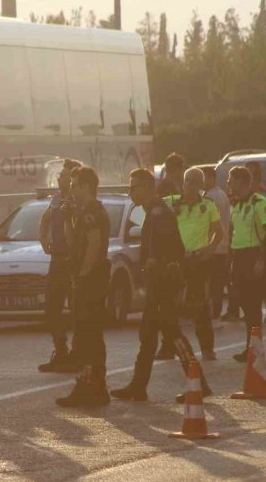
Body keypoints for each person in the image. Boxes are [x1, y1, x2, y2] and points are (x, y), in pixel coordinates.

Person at [111, 168, 212, 403]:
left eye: (134, 187)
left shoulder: (158, 213)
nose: (131, 192)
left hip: (163, 285)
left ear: (147, 187)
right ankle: (138, 386)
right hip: (159, 284)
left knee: (171, 333)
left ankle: (198, 382)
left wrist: (152, 267)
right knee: (148, 335)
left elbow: (165, 252)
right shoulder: (153, 212)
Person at [55, 167, 112, 407]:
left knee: (88, 336)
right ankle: (95, 386)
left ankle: (90, 386)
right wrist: (68, 218)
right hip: (83, 279)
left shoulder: (93, 212)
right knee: (87, 336)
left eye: (76, 184)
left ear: (87, 187)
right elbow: (70, 243)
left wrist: (82, 275)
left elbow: (94, 246)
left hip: (90, 281)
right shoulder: (81, 213)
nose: (71, 189)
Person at [163, 167, 223, 361]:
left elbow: (218, 232)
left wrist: (211, 249)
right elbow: (149, 221)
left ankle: (207, 348)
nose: (188, 185)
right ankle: (168, 346)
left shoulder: (208, 205)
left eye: (194, 182)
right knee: (169, 305)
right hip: (176, 260)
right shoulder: (170, 203)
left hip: (198, 260)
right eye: (186, 180)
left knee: (200, 306)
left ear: (200, 185)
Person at [227, 166, 266, 362]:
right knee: (245, 307)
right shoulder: (237, 205)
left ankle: (255, 349)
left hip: (254, 256)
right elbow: (235, 235)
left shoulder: (259, 202)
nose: (228, 184)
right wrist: (232, 263)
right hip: (239, 257)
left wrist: (261, 261)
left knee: (254, 307)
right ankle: (250, 347)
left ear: (241, 181)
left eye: (231, 180)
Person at [37, 158, 81, 373]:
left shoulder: (78, 201)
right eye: (59, 176)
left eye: (63, 176)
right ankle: (61, 351)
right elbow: (45, 218)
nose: (59, 179)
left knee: (76, 311)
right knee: (51, 309)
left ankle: (77, 355)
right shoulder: (56, 199)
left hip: (72, 261)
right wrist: (43, 237)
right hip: (57, 260)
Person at [248, 161, 266, 323]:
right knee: (249, 282)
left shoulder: (265, 196)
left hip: (262, 244)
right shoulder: (243, 196)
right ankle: (252, 311)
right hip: (246, 245)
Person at [204, 166, 231, 321]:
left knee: (214, 282)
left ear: (212, 178)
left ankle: (214, 312)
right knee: (216, 281)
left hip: (214, 246)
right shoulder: (218, 194)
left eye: (205, 178)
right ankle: (215, 311)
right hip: (219, 245)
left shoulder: (213, 197)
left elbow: (209, 222)